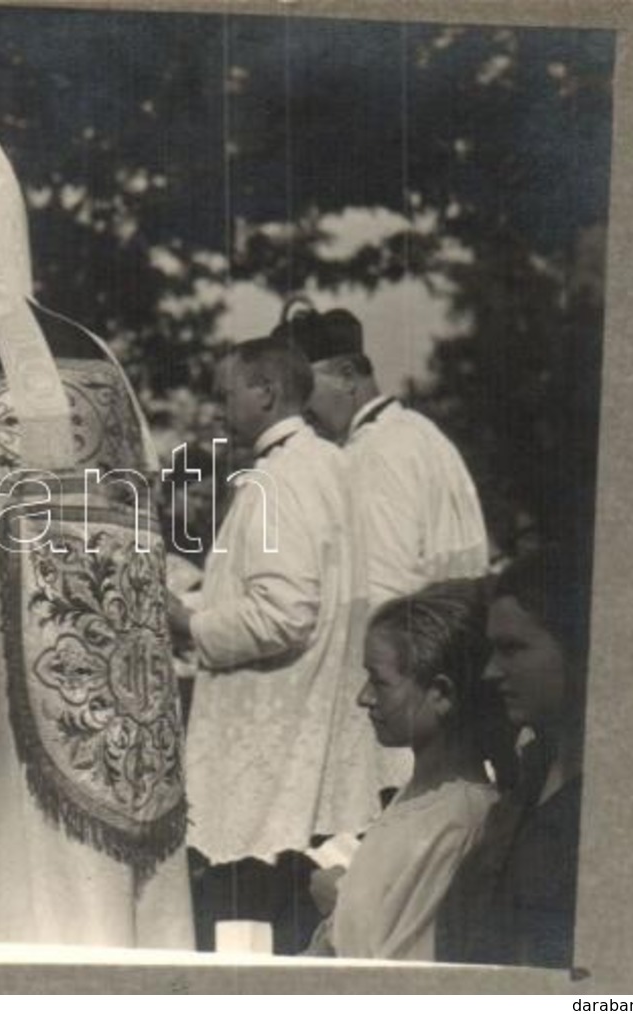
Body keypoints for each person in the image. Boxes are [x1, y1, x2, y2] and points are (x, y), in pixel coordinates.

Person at [0, 112, 193, 948]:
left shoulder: (0, 407)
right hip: (129, 722)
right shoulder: (106, 378)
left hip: (19, 745)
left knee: (29, 914)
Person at [168, 337, 383, 953]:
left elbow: (282, 614)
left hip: (273, 744)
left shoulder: (281, 478)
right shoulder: (329, 464)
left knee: (250, 934)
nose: (216, 408)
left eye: (225, 393)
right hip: (309, 734)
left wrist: (186, 622)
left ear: (265, 392)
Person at [305, 579, 514, 961]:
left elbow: (405, 972)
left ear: (440, 693)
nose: (363, 697)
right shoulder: (419, 797)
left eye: (380, 682)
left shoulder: (459, 821)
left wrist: (339, 902)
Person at [435, 548, 589, 968]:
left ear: (580, 648)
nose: (491, 672)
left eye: (513, 649)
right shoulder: (529, 775)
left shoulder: (612, 802)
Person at [283, 304, 489, 606]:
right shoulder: (415, 430)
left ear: (347, 376)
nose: (298, 409)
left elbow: (381, 591)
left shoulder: (377, 452)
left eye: (303, 391)